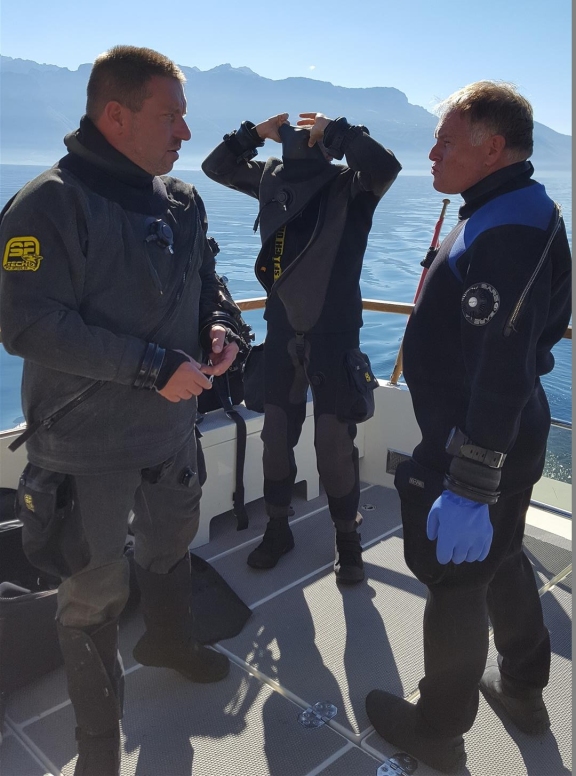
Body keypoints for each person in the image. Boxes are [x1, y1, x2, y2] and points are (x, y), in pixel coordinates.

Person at [0, 46, 246, 776]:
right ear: (116, 115)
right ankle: (100, 755)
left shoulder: (182, 201)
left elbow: (207, 278)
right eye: (171, 117)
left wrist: (221, 324)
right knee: (93, 599)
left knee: (171, 547)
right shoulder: (48, 203)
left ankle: (168, 641)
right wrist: (152, 367)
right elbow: (25, 324)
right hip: (85, 448)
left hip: (170, 433)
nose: (185, 133)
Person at [365, 82, 572, 773]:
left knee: (456, 587)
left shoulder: (508, 230)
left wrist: (472, 483)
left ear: (492, 147)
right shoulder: (513, 207)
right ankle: (524, 690)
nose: (430, 154)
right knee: (503, 556)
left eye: (445, 142)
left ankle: (438, 731)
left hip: (476, 446)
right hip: (506, 434)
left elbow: (504, 361)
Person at [202, 112, 401, 582]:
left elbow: (385, 166)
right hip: (281, 332)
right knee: (275, 440)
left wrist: (338, 130)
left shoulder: (352, 187)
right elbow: (216, 166)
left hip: (335, 338)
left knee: (333, 445)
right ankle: (278, 529)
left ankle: (347, 539)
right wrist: (254, 134)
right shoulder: (270, 182)